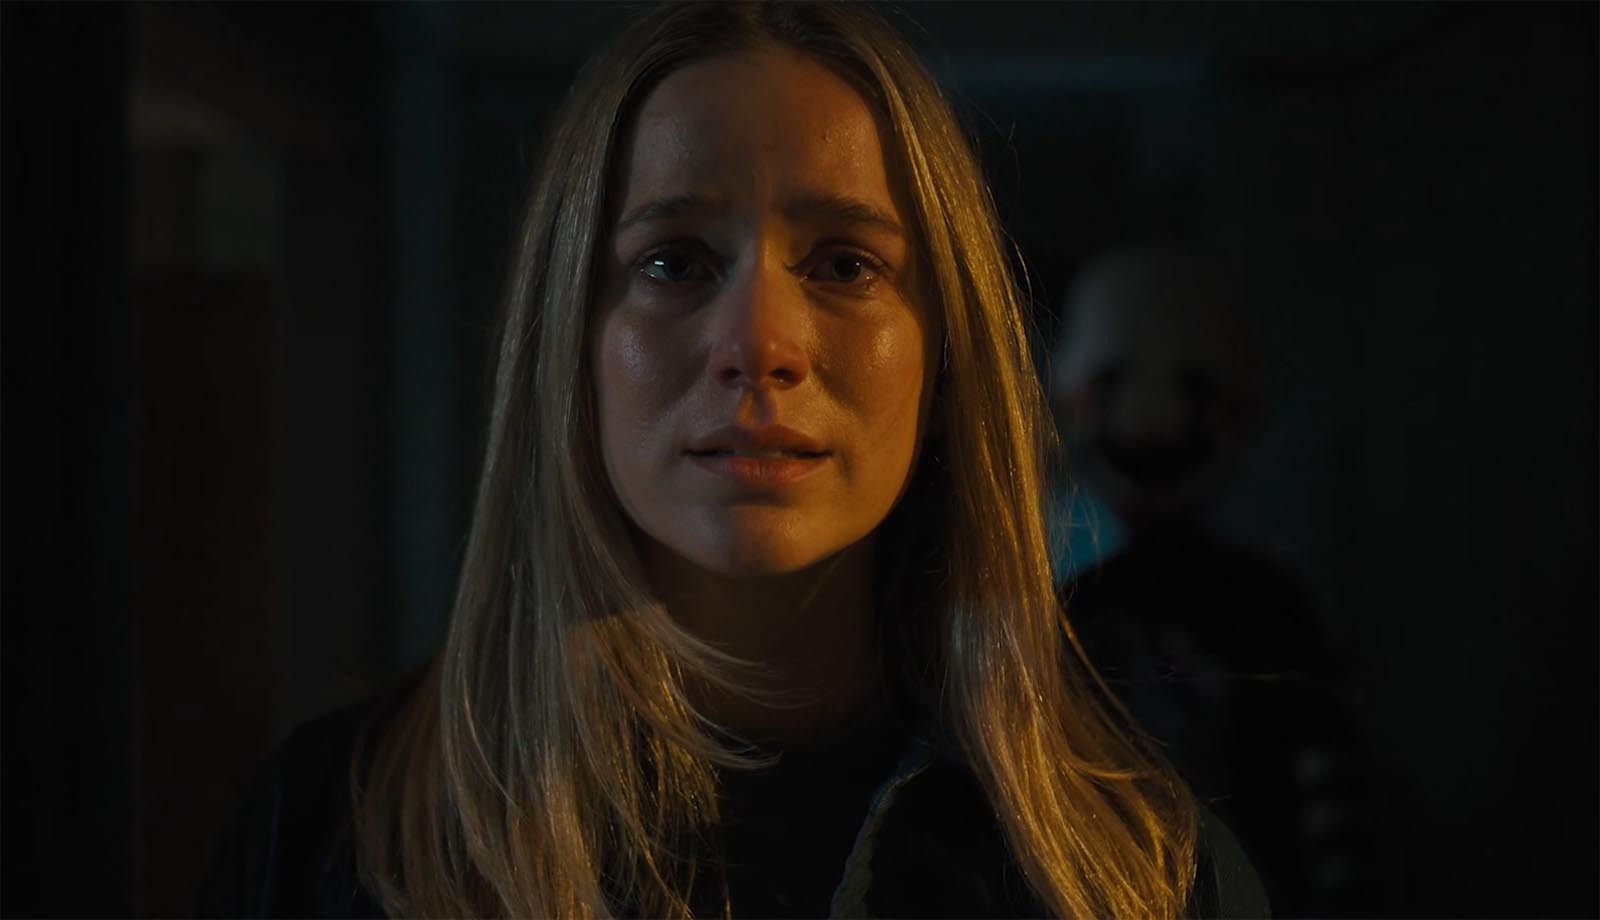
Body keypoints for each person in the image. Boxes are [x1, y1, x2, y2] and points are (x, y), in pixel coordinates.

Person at [200, 4, 1267, 917]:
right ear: (570, 345)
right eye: (674, 261)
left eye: (844, 264)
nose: (759, 343)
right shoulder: (334, 835)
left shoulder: (1139, 877)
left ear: (946, 359)